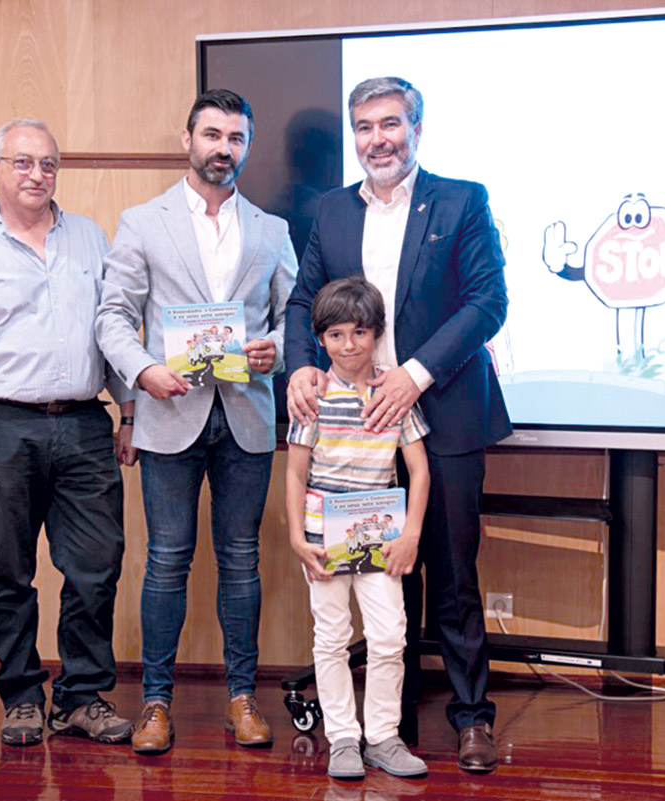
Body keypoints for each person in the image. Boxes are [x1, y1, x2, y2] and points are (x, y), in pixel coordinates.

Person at [284, 77, 511, 774]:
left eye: (390, 123)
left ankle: (471, 718)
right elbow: (301, 301)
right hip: (350, 426)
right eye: (364, 126)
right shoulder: (330, 210)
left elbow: (487, 301)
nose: (377, 139)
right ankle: (393, 725)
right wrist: (300, 366)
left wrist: (415, 372)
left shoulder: (462, 200)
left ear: (416, 128)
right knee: (385, 577)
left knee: (451, 573)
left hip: (440, 409)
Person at [0, 118, 136, 748]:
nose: (37, 175)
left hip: (85, 423)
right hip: (0, 426)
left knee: (96, 566)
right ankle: (20, 697)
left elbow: (113, 329)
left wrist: (128, 413)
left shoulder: (91, 238)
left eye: (47, 164)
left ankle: (81, 698)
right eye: (22, 162)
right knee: (8, 570)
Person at [95, 89, 298, 755]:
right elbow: (113, 317)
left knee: (241, 559)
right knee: (167, 560)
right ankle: (156, 702)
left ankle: (242, 698)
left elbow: (293, 317)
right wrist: (142, 371)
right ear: (188, 140)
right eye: (212, 135)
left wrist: (277, 350)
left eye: (236, 138)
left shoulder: (271, 229)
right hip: (168, 413)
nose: (223, 149)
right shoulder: (141, 222)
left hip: (246, 416)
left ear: (247, 146)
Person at [286, 276, 431, 780]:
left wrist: (411, 535)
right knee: (331, 636)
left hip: (382, 539)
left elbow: (419, 470)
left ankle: (384, 737)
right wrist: (296, 537)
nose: (349, 345)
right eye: (336, 335)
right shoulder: (312, 396)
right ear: (320, 339)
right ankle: (343, 738)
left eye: (360, 333)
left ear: (376, 334)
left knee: (390, 636)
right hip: (323, 539)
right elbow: (295, 472)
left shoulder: (393, 392)